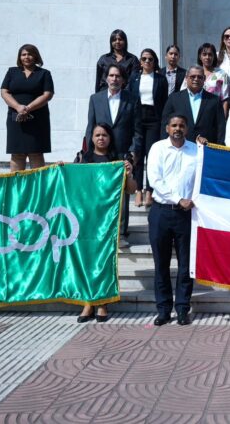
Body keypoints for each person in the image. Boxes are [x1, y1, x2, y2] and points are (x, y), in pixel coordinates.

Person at [75, 124, 135, 323]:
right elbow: (71, 184)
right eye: (97, 135)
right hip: (85, 220)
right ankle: (87, 302)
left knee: (104, 261)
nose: (101, 138)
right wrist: (62, 168)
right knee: (86, 261)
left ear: (110, 138)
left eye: (104, 135)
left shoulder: (118, 161)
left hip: (108, 221)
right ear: (91, 138)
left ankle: (103, 303)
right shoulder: (83, 159)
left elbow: (131, 190)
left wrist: (129, 174)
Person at [147, 114, 198, 326]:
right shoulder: (157, 148)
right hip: (161, 212)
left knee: (186, 265)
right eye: (174, 125)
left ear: (186, 129)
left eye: (182, 126)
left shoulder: (196, 150)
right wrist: (179, 199)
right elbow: (155, 180)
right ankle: (164, 310)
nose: (178, 129)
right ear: (167, 128)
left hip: (187, 215)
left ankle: (183, 309)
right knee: (162, 264)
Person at [86, 64, 139, 246]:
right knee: (99, 192)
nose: (114, 79)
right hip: (100, 152)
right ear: (106, 78)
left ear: (123, 80)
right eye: (111, 75)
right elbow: (90, 126)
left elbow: (137, 129)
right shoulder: (95, 99)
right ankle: (99, 229)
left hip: (122, 152)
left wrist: (133, 151)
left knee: (121, 192)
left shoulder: (132, 99)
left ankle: (121, 233)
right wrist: (88, 150)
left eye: (118, 76)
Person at [0, 44, 54, 171]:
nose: (26, 57)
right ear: (19, 57)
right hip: (16, 118)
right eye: (23, 54)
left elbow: (48, 94)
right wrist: (18, 107)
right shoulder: (11, 72)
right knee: (17, 153)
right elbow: (4, 92)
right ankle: (16, 187)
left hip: (38, 119)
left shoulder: (44, 74)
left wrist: (28, 108)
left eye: (30, 54)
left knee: (36, 152)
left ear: (35, 56)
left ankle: (38, 189)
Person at [127, 49, 168, 208]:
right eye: (144, 59)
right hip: (137, 117)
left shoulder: (160, 79)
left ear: (155, 61)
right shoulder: (134, 78)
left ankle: (149, 190)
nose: (147, 62)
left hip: (154, 118)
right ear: (140, 61)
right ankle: (138, 190)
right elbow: (130, 98)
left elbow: (164, 101)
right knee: (138, 152)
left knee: (151, 155)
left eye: (150, 59)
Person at [161, 66, 225, 144]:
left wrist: (218, 148)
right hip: (180, 147)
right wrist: (165, 144)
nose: (196, 79)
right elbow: (165, 123)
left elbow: (220, 126)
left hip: (206, 147)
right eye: (192, 77)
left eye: (199, 77)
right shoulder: (174, 98)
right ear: (186, 78)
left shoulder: (214, 100)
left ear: (204, 79)